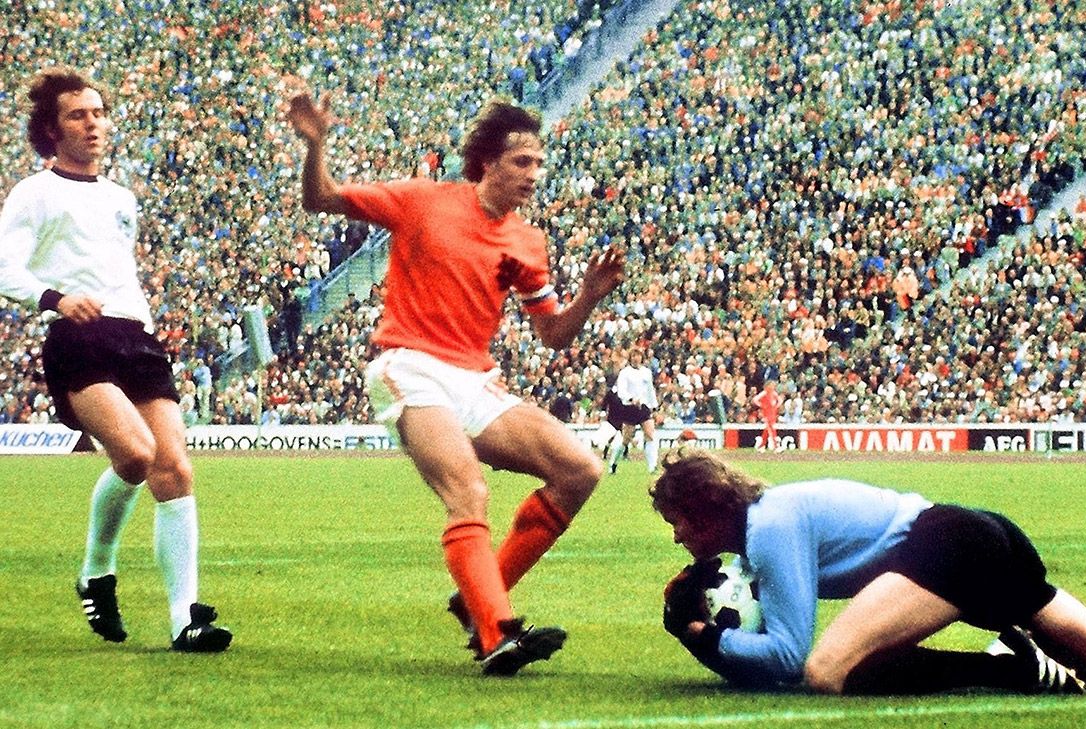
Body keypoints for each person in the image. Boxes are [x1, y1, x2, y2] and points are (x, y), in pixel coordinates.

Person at [286, 88, 625, 675]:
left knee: (581, 470)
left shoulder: (527, 241)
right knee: (468, 493)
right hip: (408, 364)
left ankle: (478, 597)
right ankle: (496, 631)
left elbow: (552, 336)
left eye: (540, 163)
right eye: (523, 161)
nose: (535, 174)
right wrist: (317, 146)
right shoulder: (423, 200)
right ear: (488, 162)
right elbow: (321, 198)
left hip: (474, 378)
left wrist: (589, 298)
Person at [651, 450, 1086, 695]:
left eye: (679, 520)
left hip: (948, 547)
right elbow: (764, 600)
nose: (678, 536)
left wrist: (710, 639)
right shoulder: (771, 522)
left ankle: (1012, 667)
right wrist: (712, 616)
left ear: (711, 508)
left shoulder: (771, 527)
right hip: (982, 533)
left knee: (828, 671)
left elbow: (790, 655)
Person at [0, 68, 232, 652]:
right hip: (78, 336)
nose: (94, 123)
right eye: (78, 115)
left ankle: (186, 620)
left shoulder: (121, 197)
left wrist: (148, 326)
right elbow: (5, 266)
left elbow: (119, 272)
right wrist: (54, 298)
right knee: (134, 453)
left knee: (175, 469)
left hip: (136, 336)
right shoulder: (35, 192)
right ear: (51, 131)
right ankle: (96, 570)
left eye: (99, 112)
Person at [606, 349, 659, 474]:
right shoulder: (625, 373)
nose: (636, 358)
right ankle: (613, 463)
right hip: (629, 407)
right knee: (626, 439)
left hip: (644, 407)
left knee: (650, 434)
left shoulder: (646, 372)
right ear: (630, 358)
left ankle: (652, 466)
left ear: (642, 357)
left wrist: (654, 405)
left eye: (638, 355)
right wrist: (631, 398)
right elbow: (621, 391)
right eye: (634, 355)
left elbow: (650, 390)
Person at [750, 380, 781, 451]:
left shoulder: (774, 393)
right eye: (772, 385)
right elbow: (755, 399)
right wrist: (763, 406)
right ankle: (776, 446)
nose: (773, 386)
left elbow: (779, 400)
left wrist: (775, 407)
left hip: (773, 414)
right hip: (767, 414)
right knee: (771, 429)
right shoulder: (764, 392)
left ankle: (761, 446)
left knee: (767, 430)